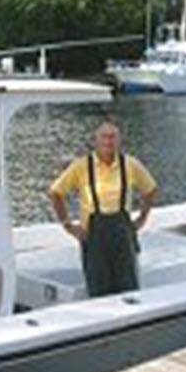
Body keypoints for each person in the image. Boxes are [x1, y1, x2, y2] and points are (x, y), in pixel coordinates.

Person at [48, 117, 158, 297]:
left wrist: (142, 218)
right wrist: (68, 225)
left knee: (128, 287)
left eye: (113, 137)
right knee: (98, 288)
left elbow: (151, 189)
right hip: (94, 238)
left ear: (119, 141)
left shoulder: (130, 164)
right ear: (96, 141)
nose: (108, 141)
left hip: (123, 236)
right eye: (104, 137)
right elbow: (55, 193)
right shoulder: (81, 166)